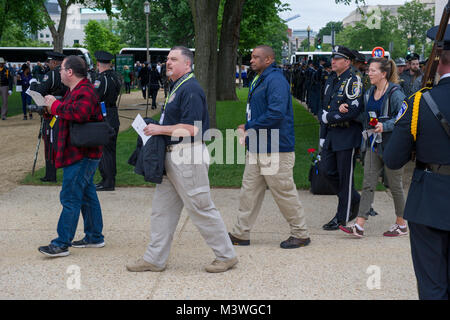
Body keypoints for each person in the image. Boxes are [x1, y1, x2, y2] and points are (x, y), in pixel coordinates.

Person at [126, 46, 238, 273]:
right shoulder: (177, 87)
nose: (168, 62)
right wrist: (155, 127)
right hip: (172, 157)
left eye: (173, 59)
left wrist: (159, 129)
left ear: (187, 64)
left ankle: (226, 256)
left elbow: (192, 128)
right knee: (162, 210)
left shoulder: (191, 89)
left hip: (187, 156)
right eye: (167, 59)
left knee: (201, 207)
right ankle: (154, 259)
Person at [383, 26, 450, 300]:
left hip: (429, 202)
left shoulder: (420, 101)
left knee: (433, 286)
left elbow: (393, 159)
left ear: (440, 61)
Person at [228, 45, 310, 249]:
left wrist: (248, 126)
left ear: (269, 59)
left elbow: (276, 113)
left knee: (283, 191)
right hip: (258, 144)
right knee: (249, 191)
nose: (252, 60)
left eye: (256, 57)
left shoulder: (275, 80)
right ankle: (240, 233)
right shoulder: (261, 78)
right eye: (251, 56)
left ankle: (300, 233)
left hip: (275, 147)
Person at [38, 55, 105, 257]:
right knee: (86, 194)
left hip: (82, 154)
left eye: (61, 69)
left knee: (70, 196)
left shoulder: (85, 90)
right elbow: (67, 114)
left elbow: (79, 114)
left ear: (69, 72)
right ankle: (94, 236)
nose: (58, 72)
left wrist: (55, 105)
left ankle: (61, 243)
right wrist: (50, 109)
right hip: (82, 151)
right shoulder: (75, 90)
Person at [339, 58, 406, 238]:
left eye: (372, 71)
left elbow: (404, 117)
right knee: (368, 183)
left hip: (393, 146)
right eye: (368, 70)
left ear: (383, 74)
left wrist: (386, 126)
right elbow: (364, 115)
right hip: (373, 144)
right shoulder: (369, 93)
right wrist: (347, 110)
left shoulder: (395, 93)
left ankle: (401, 223)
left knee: (395, 185)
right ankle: (359, 225)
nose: (368, 73)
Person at [319, 46, 363, 231]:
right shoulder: (331, 80)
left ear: (347, 62)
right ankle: (354, 198)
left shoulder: (353, 82)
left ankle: (342, 217)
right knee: (326, 170)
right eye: (333, 58)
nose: (333, 61)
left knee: (345, 178)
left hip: (347, 135)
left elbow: (353, 110)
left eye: (337, 58)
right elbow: (323, 108)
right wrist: (323, 136)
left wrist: (330, 116)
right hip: (331, 135)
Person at [30, 51, 68, 183]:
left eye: (50, 62)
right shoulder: (68, 73)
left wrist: (33, 83)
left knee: (50, 142)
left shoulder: (52, 74)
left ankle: (51, 174)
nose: (49, 64)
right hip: (63, 110)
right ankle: (56, 173)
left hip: (52, 112)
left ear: (55, 62)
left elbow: (39, 91)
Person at [93, 50, 122, 192]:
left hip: (105, 115)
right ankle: (109, 178)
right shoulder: (115, 77)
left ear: (99, 63)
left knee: (105, 150)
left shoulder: (101, 79)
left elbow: (95, 97)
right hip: (112, 114)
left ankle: (107, 181)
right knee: (110, 150)